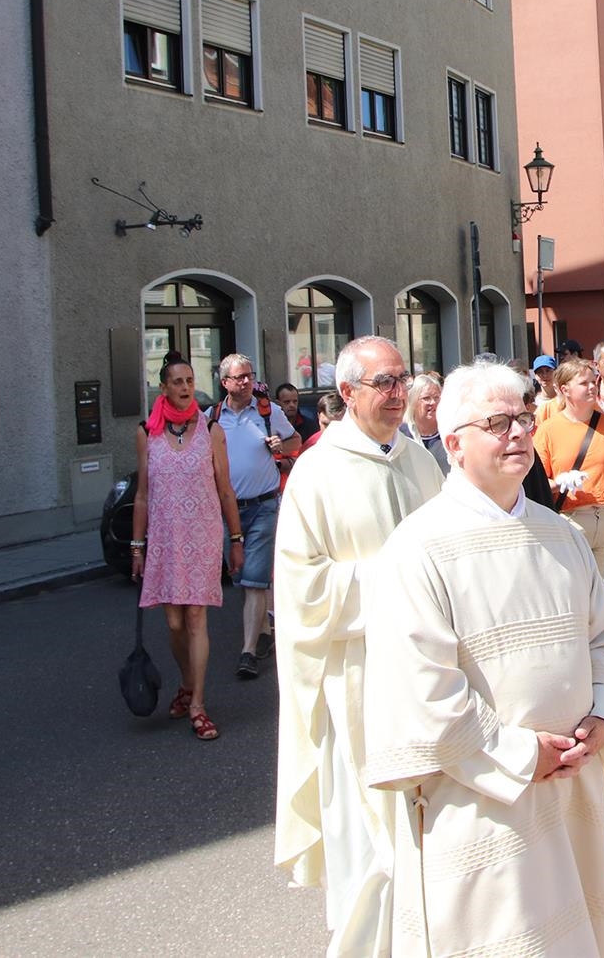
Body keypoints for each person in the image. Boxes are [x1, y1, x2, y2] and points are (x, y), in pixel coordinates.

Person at [363, 360, 604, 957]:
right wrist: (520, 754)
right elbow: (421, 688)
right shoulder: (418, 549)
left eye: (521, 417)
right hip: (483, 797)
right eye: (497, 422)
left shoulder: (560, 535)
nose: (517, 432)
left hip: (572, 781)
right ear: (455, 442)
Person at [273, 336, 445, 957]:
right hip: (359, 673)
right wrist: (390, 581)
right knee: (368, 823)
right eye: (384, 382)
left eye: (404, 379)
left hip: (425, 669)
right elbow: (302, 590)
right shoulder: (317, 472)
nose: (399, 393)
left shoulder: (420, 460)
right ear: (346, 393)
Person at [132, 351, 244, 742]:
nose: (184, 388)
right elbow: (143, 496)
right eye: (176, 382)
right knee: (174, 623)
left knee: (196, 618)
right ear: (163, 388)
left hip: (202, 536)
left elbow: (225, 489)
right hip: (164, 539)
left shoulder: (211, 431)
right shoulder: (147, 433)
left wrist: (236, 539)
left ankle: (197, 703)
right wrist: (136, 545)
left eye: (189, 381)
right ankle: (185, 682)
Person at [213, 353, 301, 681]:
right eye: (239, 377)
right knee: (243, 577)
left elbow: (294, 439)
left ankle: (247, 651)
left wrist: (281, 444)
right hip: (230, 510)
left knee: (253, 578)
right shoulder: (213, 417)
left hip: (265, 504)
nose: (247, 381)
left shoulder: (268, 411)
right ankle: (264, 629)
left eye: (249, 375)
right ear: (225, 383)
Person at [536, 358, 604, 570]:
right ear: (565, 389)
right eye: (584, 383)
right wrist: (559, 483)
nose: (592, 387)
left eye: (594, 381)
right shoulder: (548, 429)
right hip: (571, 520)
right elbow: (535, 484)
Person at [400, 373, 449, 474]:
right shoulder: (401, 434)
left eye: (436, 398)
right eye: (426, 398)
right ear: (413, 401)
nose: (433, 402)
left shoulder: (449, 431)